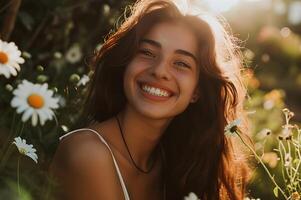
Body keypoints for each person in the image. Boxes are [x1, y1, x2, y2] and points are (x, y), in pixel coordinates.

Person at [49, 0, 251, 199]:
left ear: (197, 91)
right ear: (127, 62)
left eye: (181, 63)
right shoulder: (87, 154)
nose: (160, 71)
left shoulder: (175, 165)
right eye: (147, 52)